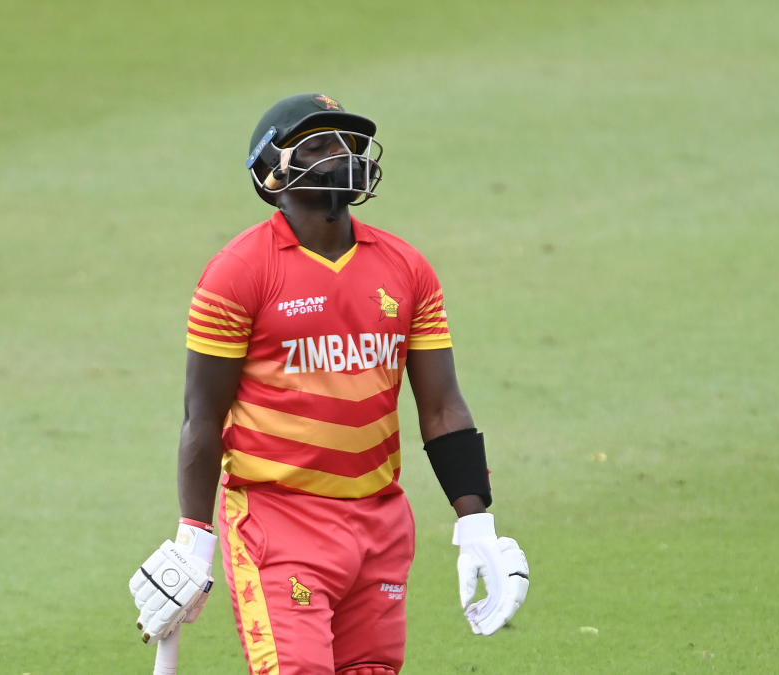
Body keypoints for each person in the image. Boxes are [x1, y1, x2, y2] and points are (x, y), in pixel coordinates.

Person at [129, 93, 529, 675]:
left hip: (381, 524)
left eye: (348, 145)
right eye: (318, 145)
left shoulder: (407, 267)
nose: (340, 157)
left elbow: (442, 408)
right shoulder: (238, 273)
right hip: (279, 522)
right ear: (272, 173)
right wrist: (195, 537)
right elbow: (203, 418)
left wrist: (477, 523)